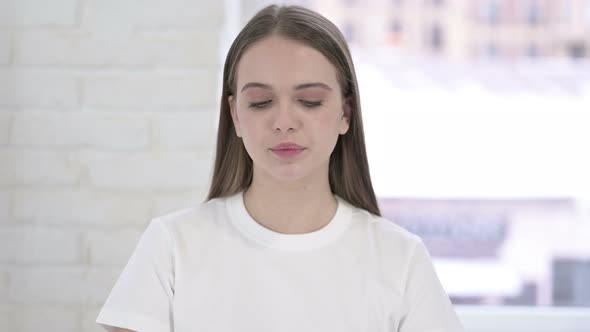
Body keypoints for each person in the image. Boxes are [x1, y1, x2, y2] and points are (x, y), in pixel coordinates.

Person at [96, 4, 464, 332]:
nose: (284, 121)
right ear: (235, 116)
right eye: (260, 102)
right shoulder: (172, 246)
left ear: (345, 114)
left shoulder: (400, 259)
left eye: (309, 101)